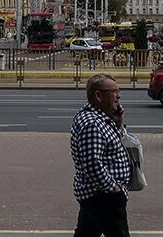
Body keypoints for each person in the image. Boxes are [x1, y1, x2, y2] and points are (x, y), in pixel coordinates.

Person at [70, 74, 131, 237]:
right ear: (98, 95)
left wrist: (118, 124)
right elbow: (92, 163)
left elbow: (109, 149)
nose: (119, 96)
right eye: (114, 91)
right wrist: (114, 188)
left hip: (98, 194)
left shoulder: (100, 118)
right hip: (103, 196)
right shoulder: (92, 124)